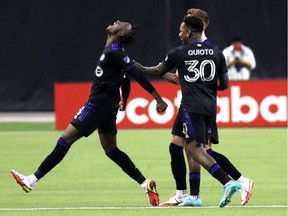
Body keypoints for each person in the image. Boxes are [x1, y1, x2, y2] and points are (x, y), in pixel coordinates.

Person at [10, 20, 170, 206]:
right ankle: (145, 184)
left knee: (65, 140)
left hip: (97, 105)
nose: (116, 22)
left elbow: (137, 75)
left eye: (120, 24)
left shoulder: (114, 51)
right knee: (111, 150)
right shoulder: (115, 52)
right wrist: (124, 99)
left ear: (119, 33)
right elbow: (125, 78)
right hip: (107, 106)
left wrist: (157, 98)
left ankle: (32, 180)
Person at [136, 15, 241, 208]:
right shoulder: (217, 52)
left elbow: (158, 71)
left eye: (181, 30)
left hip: (191, 107)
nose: (179, 33)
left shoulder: (179, 52)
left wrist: (138, 67)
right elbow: (225, 85)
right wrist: (204, 85)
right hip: (210, 107)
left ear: (188, 32)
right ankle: (190, 196)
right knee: (179, 145)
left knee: (194, 149)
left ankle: (228, 182)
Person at [159, 8, 254, 207]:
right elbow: (174, 74)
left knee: (201, 150)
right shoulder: (188, 48)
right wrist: (181, 80)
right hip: (188, 103)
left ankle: (239, 180)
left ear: (198, 25)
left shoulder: (209, 49)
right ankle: (186, 195)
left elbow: (218, 82)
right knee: (178, 145)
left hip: (201, 105)